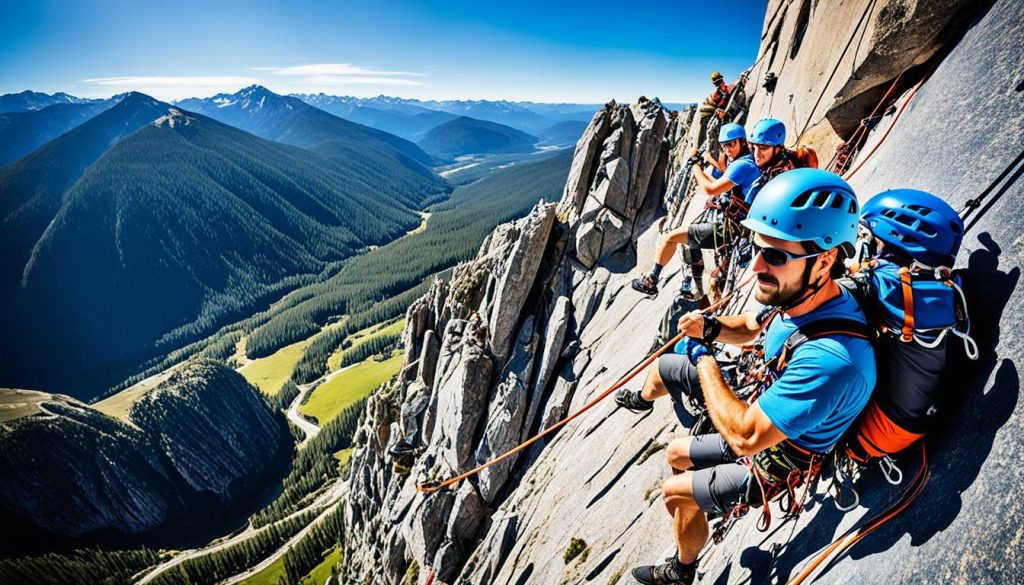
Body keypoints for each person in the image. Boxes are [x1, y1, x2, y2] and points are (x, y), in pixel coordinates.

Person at [621, 169, 877, 585]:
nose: (756, 266)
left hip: (777, 459)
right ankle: (699, 506)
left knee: (673, 492)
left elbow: (744, 436)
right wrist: (712, 329)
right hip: (768, 418)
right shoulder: (803, 295)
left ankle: (682, 570)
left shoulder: (833, 359)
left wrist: (704, 358)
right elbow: (753, 325)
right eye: (758, 249)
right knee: (674, 455)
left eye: (776, 256)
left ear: (825, 259)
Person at [630, 123, 758, 298]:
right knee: (691, 239)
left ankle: (651, 280)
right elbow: (717, 184)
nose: (727, 149)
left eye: (731, 144)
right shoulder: (746, 161)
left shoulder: (742, 166)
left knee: (670, 237)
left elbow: (710, 189)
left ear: (742, 142)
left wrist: (695, 166)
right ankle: (696, 286)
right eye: (724, 145)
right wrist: (700, 168)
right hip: (735, 223)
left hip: (726, 230)